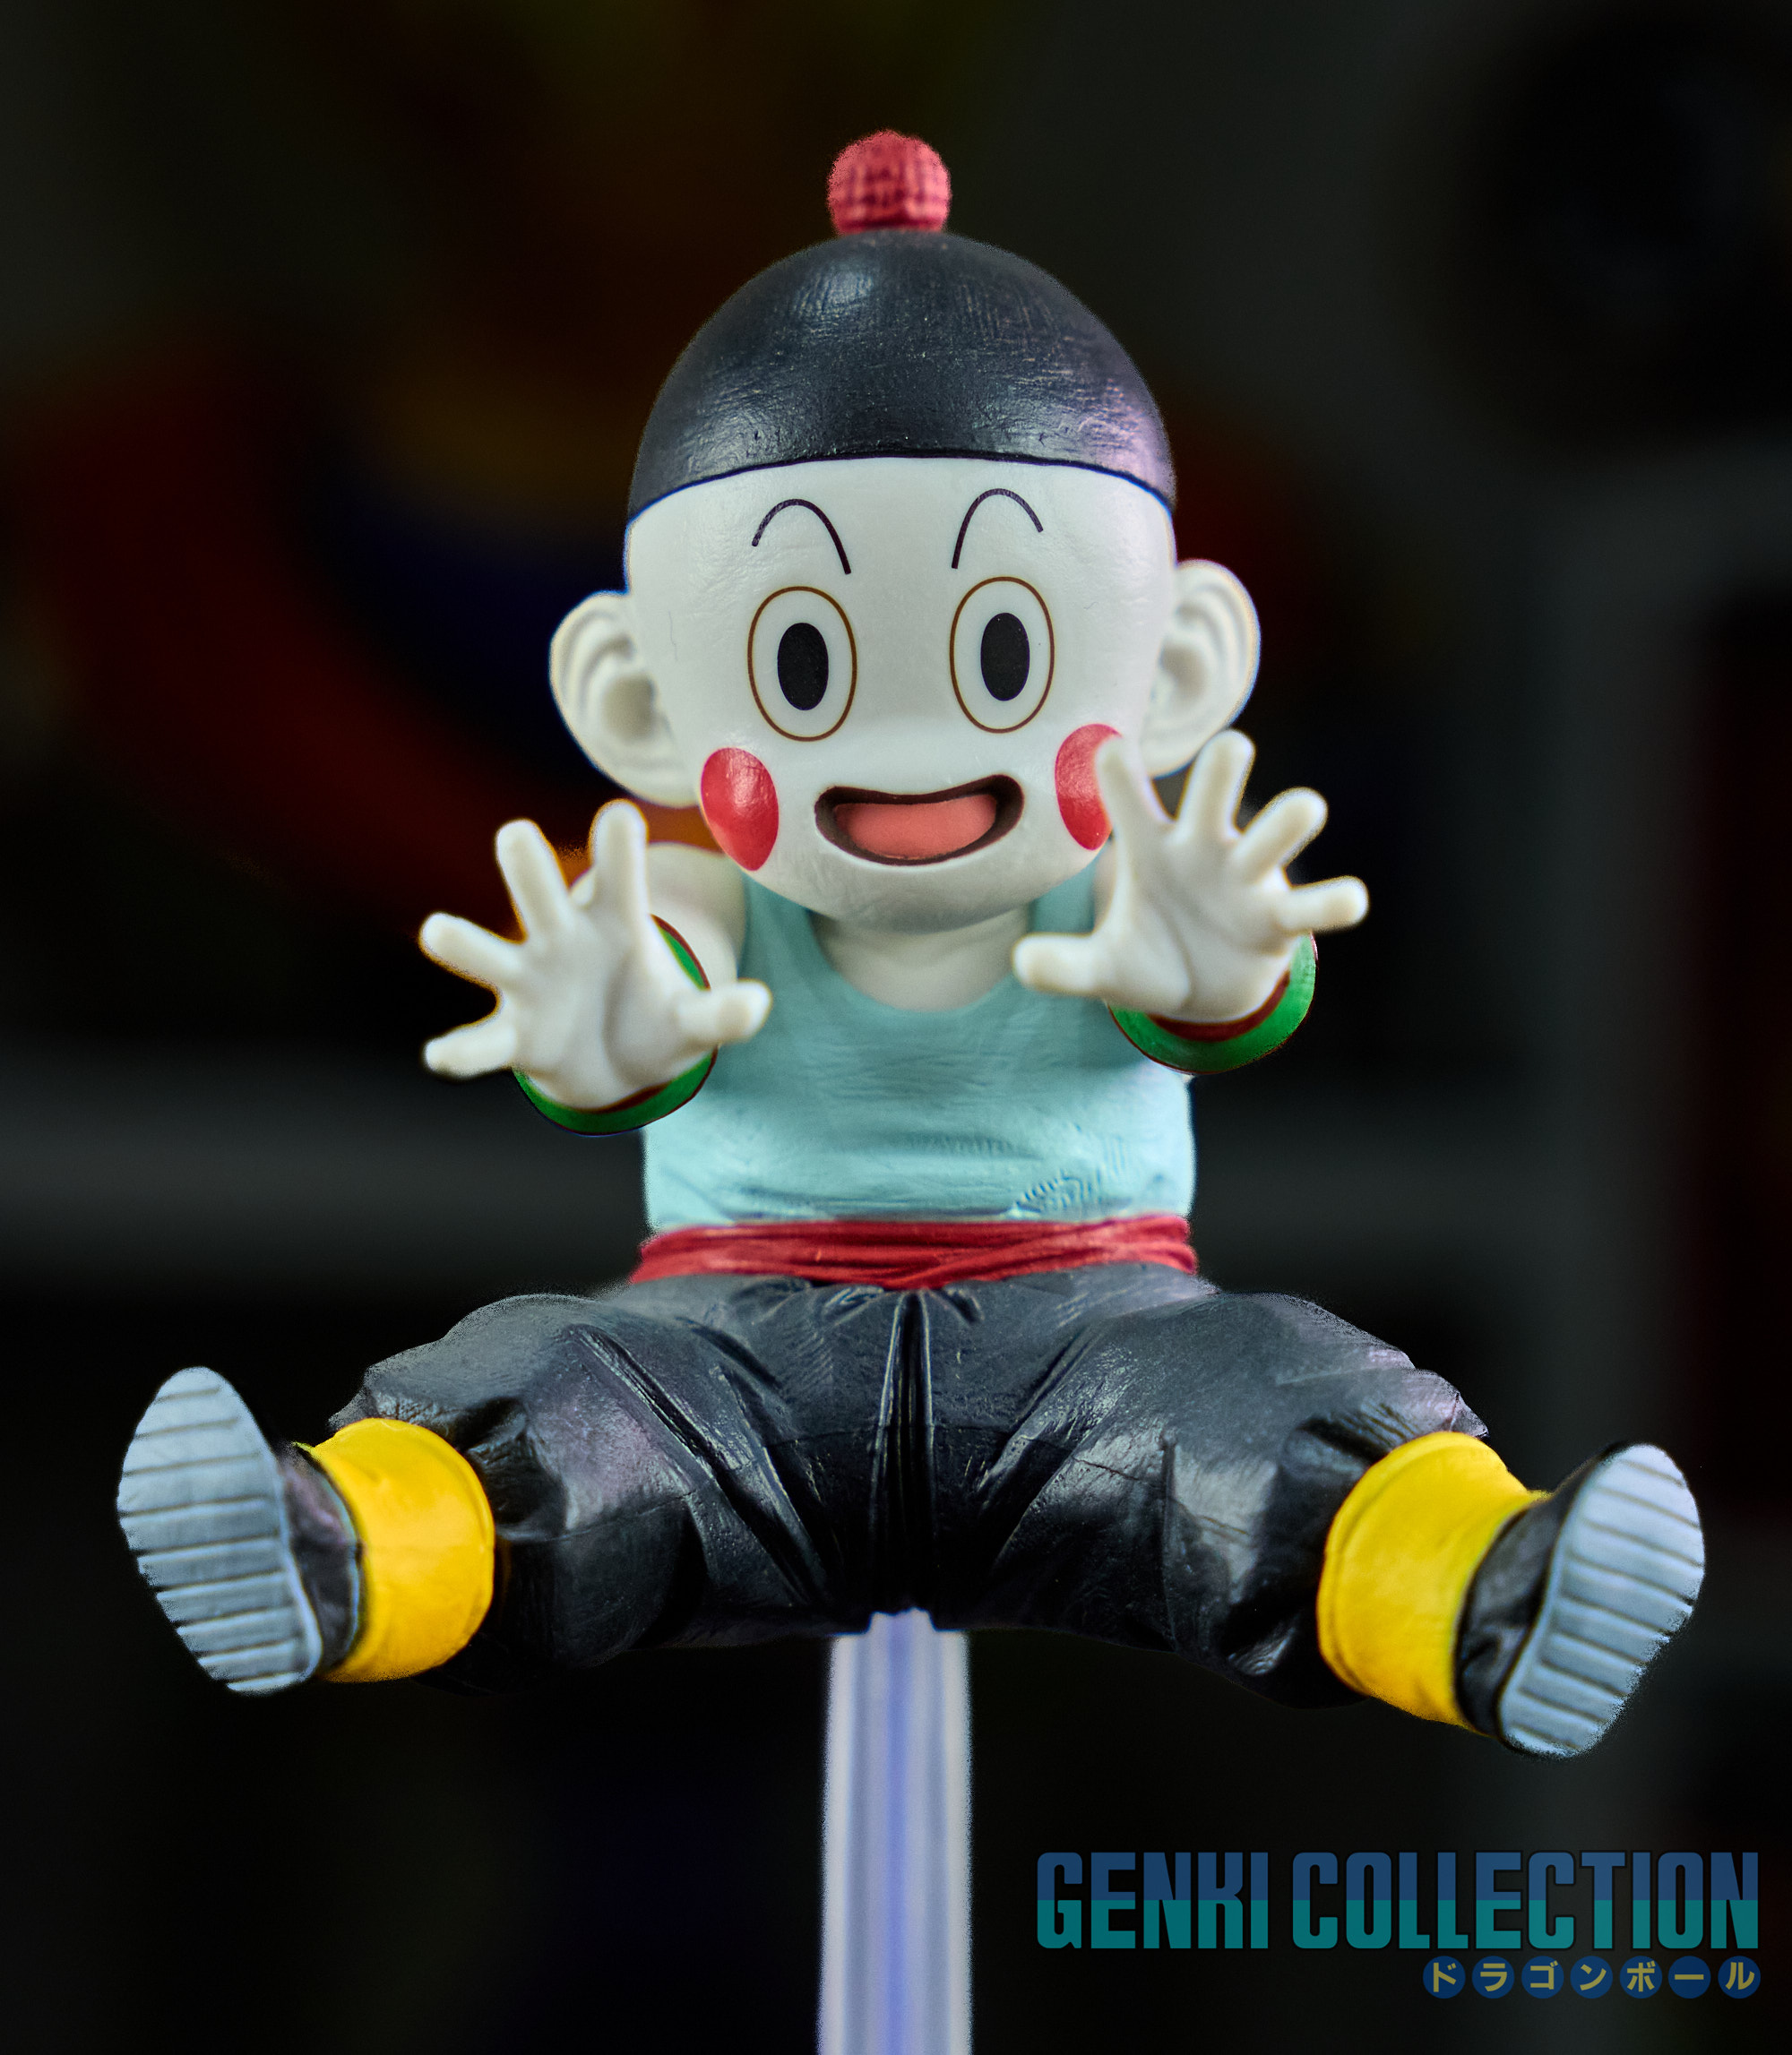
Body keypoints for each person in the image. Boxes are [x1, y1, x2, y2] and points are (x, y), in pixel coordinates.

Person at [118, 133, 1702, 1758]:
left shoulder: (1130, 872)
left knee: (1277, 1405)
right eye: (805, 666)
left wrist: (1217, 965)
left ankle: (1489, 1593)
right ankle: (338, 1555)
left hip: (1103, 1351)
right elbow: (660, 952)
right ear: (639, 701)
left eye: (1003, 652)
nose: (908, 743)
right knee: (549, 1399)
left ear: (1175, 670)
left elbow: (1223, 992)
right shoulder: (694, 877)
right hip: (725, 1360)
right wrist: (609, 1023)